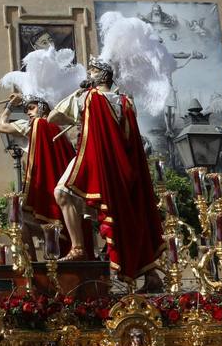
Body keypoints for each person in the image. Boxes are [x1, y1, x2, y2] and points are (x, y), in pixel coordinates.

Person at [55, 57, 164, 289]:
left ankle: (78, 247)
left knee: (62, 193)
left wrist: (78, 92)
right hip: (123, 168)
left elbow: (53, 116)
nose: (89, 74)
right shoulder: (126, 102)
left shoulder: (87, 98)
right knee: (129, 217)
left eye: (92, 71)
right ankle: (151, 275)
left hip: (96, 161)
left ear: (102, 75)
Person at [0, 94, 78, 256]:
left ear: (43, 107)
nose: (28, 113)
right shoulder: (60, 129)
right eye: (26, 110)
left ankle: (31, 266)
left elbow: (1, 126)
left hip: (48, 194)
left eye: (31, 108)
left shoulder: (37, 124)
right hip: (64, 193)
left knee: (17, 219)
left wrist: (10, 105)